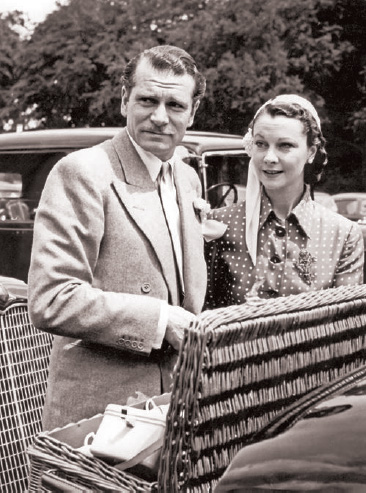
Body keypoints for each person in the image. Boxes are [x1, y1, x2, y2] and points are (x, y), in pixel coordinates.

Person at [28, 45, 207, 430]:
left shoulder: (187, 179)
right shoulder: (82, 172)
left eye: (175, 105)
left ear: (193, 112)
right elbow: (51, 297)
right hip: (101, 422)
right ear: (125, 100)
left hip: (175, 411)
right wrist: (159, 320)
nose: (160, 117)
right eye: (147, 100)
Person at [205, 94, 364, 308]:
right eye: (261, 144)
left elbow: (344, 324)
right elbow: (202, 315)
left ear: (311, 152)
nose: (270, 157)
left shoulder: (342, 235)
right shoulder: (219, 224)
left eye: (285, 145)